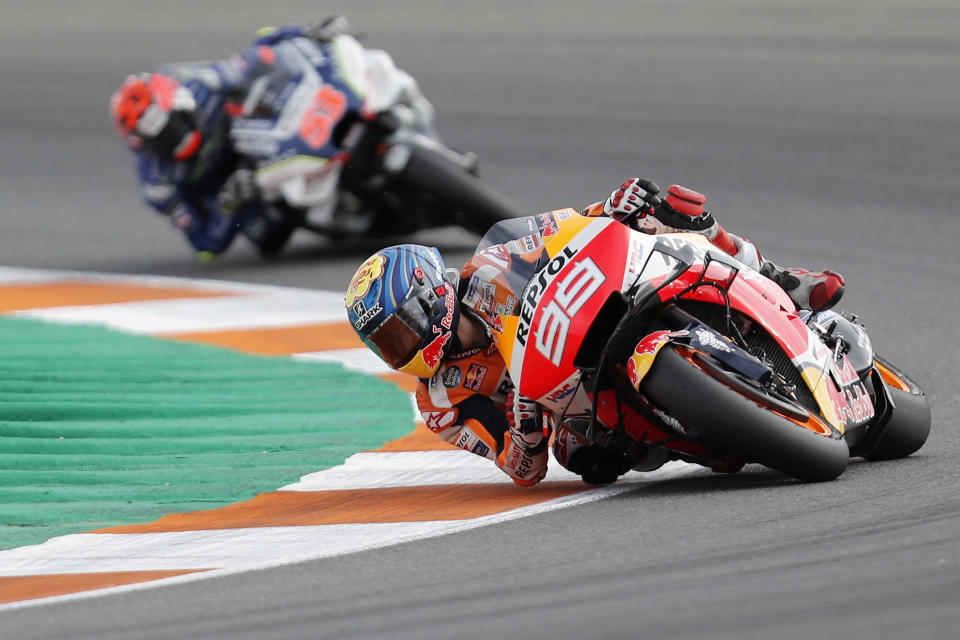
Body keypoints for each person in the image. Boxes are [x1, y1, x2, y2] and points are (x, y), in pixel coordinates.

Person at [346, 179, 846, 487]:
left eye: (401, 329)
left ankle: (783, 279)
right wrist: (523, 426)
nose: (402, 347)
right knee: (583, 459)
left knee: (668, 213)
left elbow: (569, 224)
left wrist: (613, 203)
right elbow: (521, 469)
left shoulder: (493, 260)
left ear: (432, 293)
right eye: (387, 343)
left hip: (593, 307)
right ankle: (705, 428)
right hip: (570, 401)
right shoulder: (440, 403)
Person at [109, 16, 435, 258]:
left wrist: (307, 34)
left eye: (175, 124)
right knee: (268, 232)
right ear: (143, 145)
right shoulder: (159, 185)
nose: (175, 137)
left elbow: (258, 54)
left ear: (181, 105)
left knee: (368, 71)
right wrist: (228, 202)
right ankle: (345, 212)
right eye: (162, 139)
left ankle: (406, 127)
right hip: (250, 190)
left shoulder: (203, 84)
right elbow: (205, 245)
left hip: (269, 136)